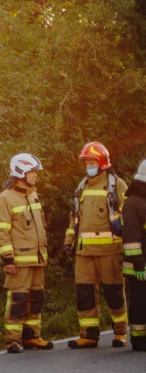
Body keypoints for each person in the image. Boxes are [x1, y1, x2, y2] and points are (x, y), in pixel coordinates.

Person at [64, 142, 129, 349]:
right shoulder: (81, 186)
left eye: (91, 162)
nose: (88, 166)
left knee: (114, 293)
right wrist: (68, 242)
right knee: (84, 294)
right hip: (84, 252)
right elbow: (74, 218)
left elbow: (128, 216)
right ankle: (88, 335)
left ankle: (120, 332)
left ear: (102, 163)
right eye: (86, 163)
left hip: (110, 250)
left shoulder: (116, 185)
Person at [0, 153, 54, 353]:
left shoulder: (32, 194)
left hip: (37, 259)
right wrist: (8, 258)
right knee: (18, 300)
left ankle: (32, 337)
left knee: (36, 298)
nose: (35, 175)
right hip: (18, 260)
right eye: (32, 171)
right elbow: (2, 230)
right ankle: (13, 340)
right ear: (20, 172)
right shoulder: (6, 197)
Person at [122, 159, 146, 351]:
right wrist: (139, 264)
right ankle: (138, 340)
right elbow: (131, 239)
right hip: (139, 267)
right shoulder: (133, 204)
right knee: (139, 302)